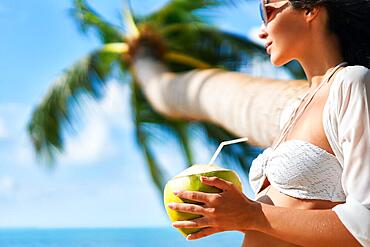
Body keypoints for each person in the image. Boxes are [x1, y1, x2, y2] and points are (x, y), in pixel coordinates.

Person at [167, 0, 370, 246]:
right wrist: (228, 215)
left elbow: (365, 224)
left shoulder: (351, 83)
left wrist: (250, 215)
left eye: (268, 11)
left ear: (310, 9)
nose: (262, 30)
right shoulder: (296, 108)